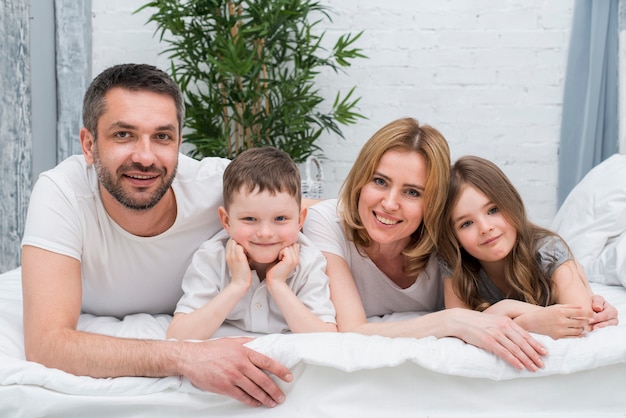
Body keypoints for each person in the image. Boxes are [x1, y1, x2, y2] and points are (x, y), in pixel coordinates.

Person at [20, 63, 292, 408]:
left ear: (179, 142)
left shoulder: (218, 187)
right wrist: (185, 358)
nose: (145, 157)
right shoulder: (62, 192)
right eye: (124, 135)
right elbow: (47, 345)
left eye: (162, 137)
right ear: (89, 145)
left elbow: (316, 214)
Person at [303, 117, 618, 371]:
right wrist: (452, 321)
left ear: (433, 205)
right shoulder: (327, 222)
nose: (389, 203)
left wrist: (576, 295)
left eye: (412, 192)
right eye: (380, 181)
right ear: (360, 179)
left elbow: (551, 288)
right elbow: (353, 329)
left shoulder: (442, 241)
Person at [438, 155, 617, 339]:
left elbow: (582, 322)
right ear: (455, 237)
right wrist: (522, 318)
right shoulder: (455, 263)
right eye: (466, 224)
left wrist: (506, 313)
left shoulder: (549, 251)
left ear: (511, 204)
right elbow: (459, 327)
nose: (485, 228)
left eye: (493, 210)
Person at [167, 147, 337, 340]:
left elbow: (327, 338)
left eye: (280, 218)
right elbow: (178, 335)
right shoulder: (212, 257)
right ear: (227, 221)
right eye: (249, 218)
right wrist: (238, 284)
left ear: (299, 220)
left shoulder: (309, 261)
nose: (265, 233)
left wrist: (278, 284)